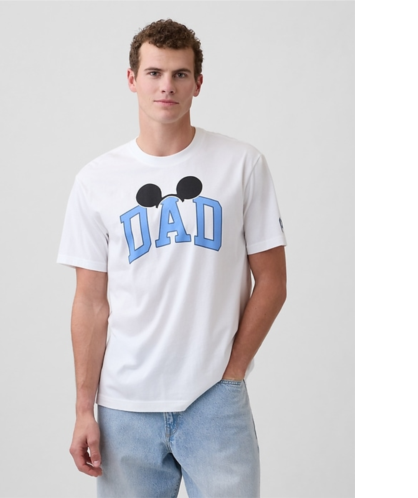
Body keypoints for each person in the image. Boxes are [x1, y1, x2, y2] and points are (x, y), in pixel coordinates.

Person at [57, 18, 287, 498]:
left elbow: (272, 281)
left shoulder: (242, 164)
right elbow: (91, 303)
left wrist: (233, 372)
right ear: (132, 79)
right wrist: (83, 409)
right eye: (155, 73)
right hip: (124, 408)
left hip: (213, 400)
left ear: (198, 83)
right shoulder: (96, 180)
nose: (167, 86)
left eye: (180, 74)